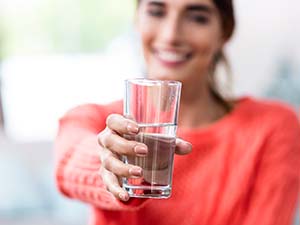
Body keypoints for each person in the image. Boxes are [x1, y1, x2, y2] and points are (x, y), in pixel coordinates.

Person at [54, 0, 300, 225]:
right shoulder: (96, 121)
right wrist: (109, 162)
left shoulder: (273, 126)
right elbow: (68, 162)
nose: (171, 35)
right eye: (156, 11)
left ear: (224, 31)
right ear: (137, 20)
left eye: (197, 17)